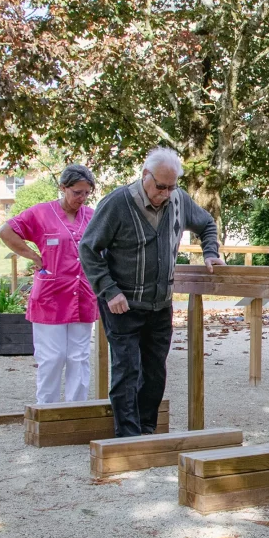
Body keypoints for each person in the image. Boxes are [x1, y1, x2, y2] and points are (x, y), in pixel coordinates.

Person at [79, 147, 225, 438]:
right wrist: (109, 290)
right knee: (127, 370)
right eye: (161, 186)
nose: (166, 193)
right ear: (145, 175)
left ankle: (146, 431)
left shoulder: (178, 199)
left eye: (172, 187)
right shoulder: (118, 203)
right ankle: (127, 437)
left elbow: (207, 224)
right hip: (122, 303)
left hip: (160, 304)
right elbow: (88, 249)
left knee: (155, 371)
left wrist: (210, 252)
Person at [0, 165, 98, 404]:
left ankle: (76, 410)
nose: (82, 198)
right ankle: (47, 411)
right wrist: (33, 256)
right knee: (53, 357)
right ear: (63, 188)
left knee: (79, 357)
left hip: (83, 294)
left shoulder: (92, 216)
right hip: (51, 295)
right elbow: (6, 232)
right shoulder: (41, 213)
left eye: (87, 193)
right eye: (77, 192)